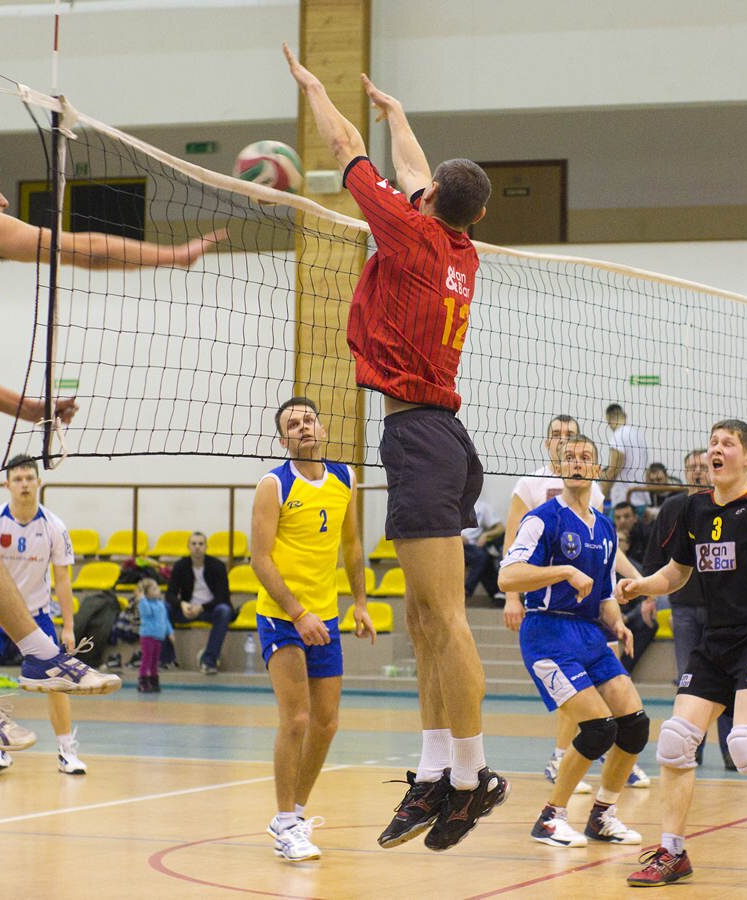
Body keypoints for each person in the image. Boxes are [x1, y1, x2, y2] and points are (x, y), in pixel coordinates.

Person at [0, 153, 216, 749]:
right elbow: (79, 249)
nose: (3, 201)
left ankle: (41, 655)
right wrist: (172, 256)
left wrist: (24, 407)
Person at [283, 44, 506, 851]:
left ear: (433, 200)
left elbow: (346, 147)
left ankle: (473, 778)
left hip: (421, 437)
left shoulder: (411, 237)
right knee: (419, 619)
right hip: (430, 435)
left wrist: (314, 88)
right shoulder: (459, 248)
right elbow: (414, 169)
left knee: (443, 620)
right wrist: (400, 115)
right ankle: (435, 769)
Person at [619, 420, 747, 893]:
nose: (716, 450)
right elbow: (678, 572)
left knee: (746, 742)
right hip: (717, 637)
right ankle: (673, 852)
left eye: (728, 443)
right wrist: (644, 585)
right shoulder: (694, 508)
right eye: (712, 443)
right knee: (675, 740)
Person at [499, 434, 648, 849]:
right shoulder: (542, 519)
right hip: (547, 633)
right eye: (570, 457)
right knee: (598, 728)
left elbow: (603, 593)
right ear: (559, 468)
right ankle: (551, 819)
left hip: (589, 633)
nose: (577, 463)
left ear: (596, 470)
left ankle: (602, 816)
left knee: (635, 725)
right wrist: (563, 571)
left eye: (585, 458)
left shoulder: (604, 527)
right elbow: (507, 576)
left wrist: (618, 624)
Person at [251, 397, 375, 862]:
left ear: (322, 429)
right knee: (297, 719)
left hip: (326, 615)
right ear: (283, 439)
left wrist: (359, 603)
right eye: (293, 424)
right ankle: (285, 822)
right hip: (282, 615)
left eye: (309, 420)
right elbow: (259, 559)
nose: (303, 427)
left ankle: (295, 815)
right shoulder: (273, 485)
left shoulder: (345, 478)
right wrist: (298, 613)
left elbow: (352, 544)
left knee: (326, 723)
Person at [0, 455, 85, 776]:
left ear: (39, 482)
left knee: (56, 680)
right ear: (7, 485)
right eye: (18, 479)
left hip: (34, 617)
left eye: (29, 478)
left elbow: (62, 580)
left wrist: (68, 626)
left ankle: (66, 752)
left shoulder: (54, 527)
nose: (24, 485)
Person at [643, 448, 735, 770]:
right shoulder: (673, 507)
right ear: (684, 473)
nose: (697, 472)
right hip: (683, 608)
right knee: (689, 679)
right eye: (691, 467)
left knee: (726, 678)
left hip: (721, 611)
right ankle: (691, 747)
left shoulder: (724, 505)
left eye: (702, 466)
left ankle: (731, 750)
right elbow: (655, 555)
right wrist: (648, 597)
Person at [165, 531, 233, 674]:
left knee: (224, 610)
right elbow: (169, 594)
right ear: (188, 546)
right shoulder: (180, 566)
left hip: (209, 610)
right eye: (194, 544)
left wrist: (201, 607)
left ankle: (209, 661)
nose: (197, 547)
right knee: (164, 608)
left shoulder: (218, 566)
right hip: (187, 610)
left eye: (201, 544)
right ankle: (167, 659)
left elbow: (223, 596)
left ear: (206, 547)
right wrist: (182, 604)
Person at [601, 403, 648, 508]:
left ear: (609, 419)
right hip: (641, 497)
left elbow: (614, 470)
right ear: (625, 415)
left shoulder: (618, 435)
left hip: (624, 501)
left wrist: (600, 496)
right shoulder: (639, 436)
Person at [461, 496, 504, 604]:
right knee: (481, 557)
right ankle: (467, 590)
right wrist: (455, 537)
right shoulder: (448, 503)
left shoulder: (482, 506)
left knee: (483, 556)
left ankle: (497, 594)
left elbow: (500, 528)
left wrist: (486, 535)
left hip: (470, 547)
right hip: (450, 544)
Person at [136, 578, 172, 693]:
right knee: (147, 658)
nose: (158, 590)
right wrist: (142, 599)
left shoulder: (161, 604)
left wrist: (170, 631)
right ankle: (142, 680)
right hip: (148, 636)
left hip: (158, 637)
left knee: (155, 660)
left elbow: (165, 619)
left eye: (157, 588)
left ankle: (153, 679)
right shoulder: (144, 604)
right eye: (154, 589)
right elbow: (146, 612)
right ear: (146, 593)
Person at [611, 501, 650, 568]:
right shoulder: (610, 535)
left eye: (626, 516)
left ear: (635, 518)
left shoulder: (646, 534)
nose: (622, 521)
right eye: (618, 518)